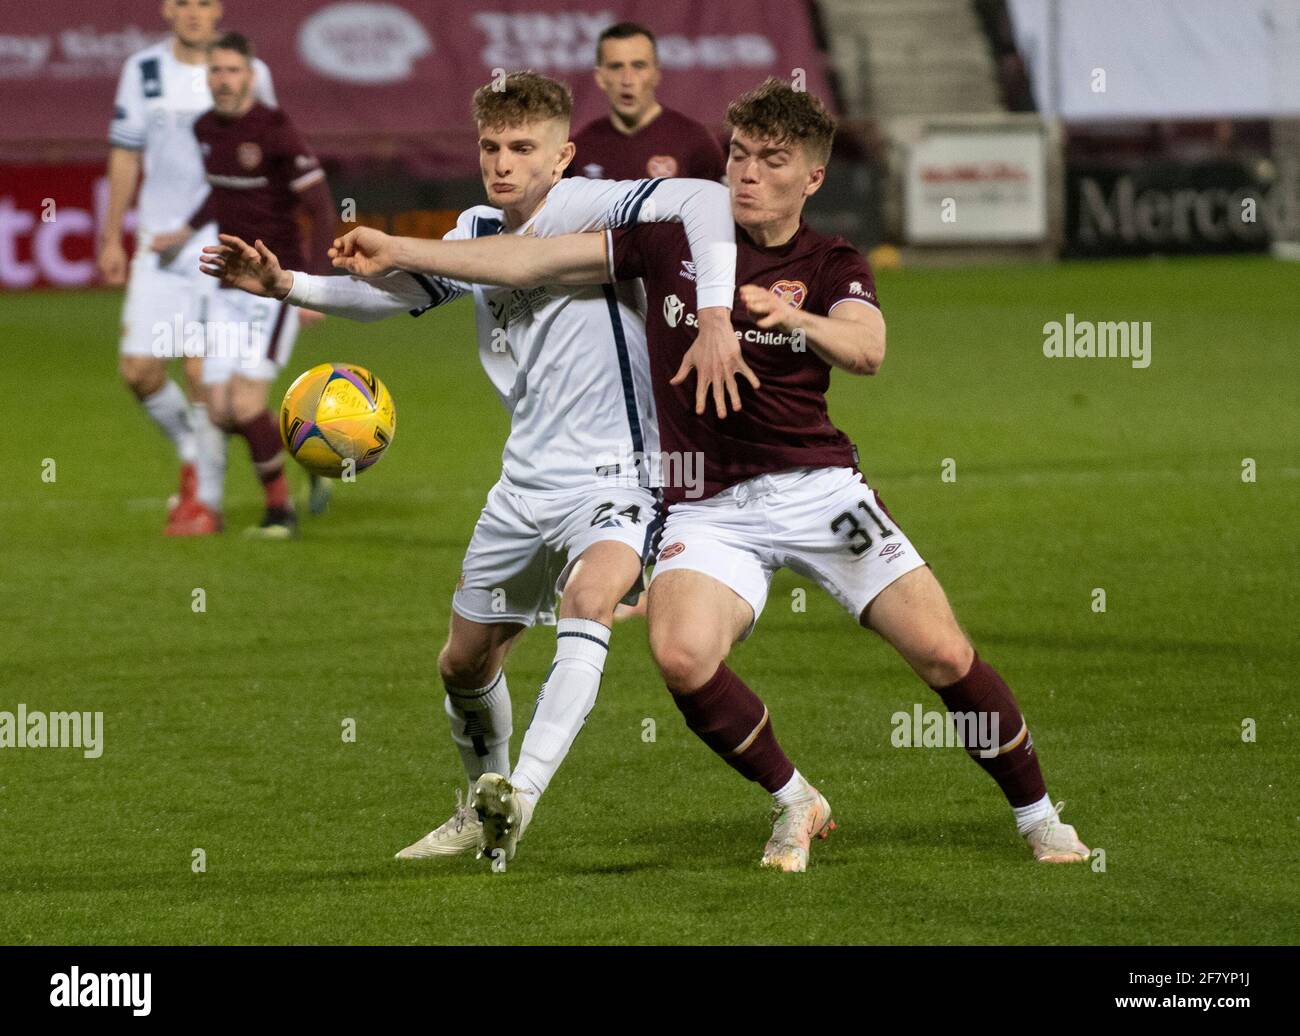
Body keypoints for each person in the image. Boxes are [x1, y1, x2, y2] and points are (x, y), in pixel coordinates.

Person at [342, 78, 1091, 873]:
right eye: (738, 154)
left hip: (820, 490)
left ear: (813, 178)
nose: (747, 172)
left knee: (941, 652)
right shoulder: (667, 237)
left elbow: (867, 349)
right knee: (682, 655)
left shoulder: (830, 260)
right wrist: (399, 249)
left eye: (773, 160)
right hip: (704, 503)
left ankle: (1039, 818)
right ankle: (797, 799)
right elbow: (526, 256)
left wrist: (794, 317)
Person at [199, 72, 740, 866]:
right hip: (523, 482)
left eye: (523, 147)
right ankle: (481, 810)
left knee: (590, 600)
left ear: (562, 156)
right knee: (463, 660)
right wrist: (285, 284)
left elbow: (706, 201)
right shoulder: (478, 225)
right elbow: (397, 295)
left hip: (619, 474)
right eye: (491, 146)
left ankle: (521, 793)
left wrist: (718, 313)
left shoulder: (593, 206)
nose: (503, 161)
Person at [99, 0, 275, 535]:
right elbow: (126, 155)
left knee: (200, 371)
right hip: (159, 241)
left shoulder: (251, 71)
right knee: (140, 370)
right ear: (166, 10)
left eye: (204, 2)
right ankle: (198, 447)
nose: (195, 13)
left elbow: (269, 154)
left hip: (217, 239)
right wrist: (112, 235)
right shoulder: (143, 71)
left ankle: (205, 504)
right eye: (183, 3)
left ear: (218, 9)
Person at [152, 32, 335, 538]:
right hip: (227, 284)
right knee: (216, 405)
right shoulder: (206, 128)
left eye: (233, 71)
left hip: (274, 286)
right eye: (215, 71)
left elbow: (319, 205)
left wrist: (313, 285)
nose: (224, 80)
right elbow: (221, 193)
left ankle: (280, 513)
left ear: (251, 77)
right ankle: (304, 459)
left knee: (244, 405)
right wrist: (184, 233)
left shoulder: (274, 130)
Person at [568, 22, 725, 182]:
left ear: (656, 74)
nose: (627, 79)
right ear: (600, 77)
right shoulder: (580, 147)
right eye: (616, 67)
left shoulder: (696, 142)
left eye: (638, 66)